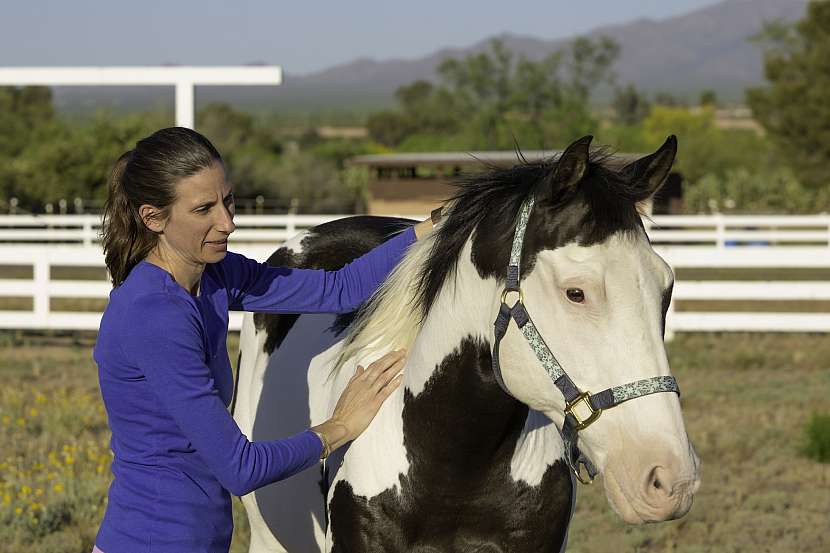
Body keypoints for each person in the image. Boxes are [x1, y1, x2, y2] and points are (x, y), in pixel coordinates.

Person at [91, 127, 433, 553]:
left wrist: (428, 230)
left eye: (227, 200)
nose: (227, 222)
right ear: (153, 218)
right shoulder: (154, 315)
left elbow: (338, 290)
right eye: (204, 209)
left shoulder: (214, 275)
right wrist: (340, 426)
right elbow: (240, 468)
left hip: (202, 538)